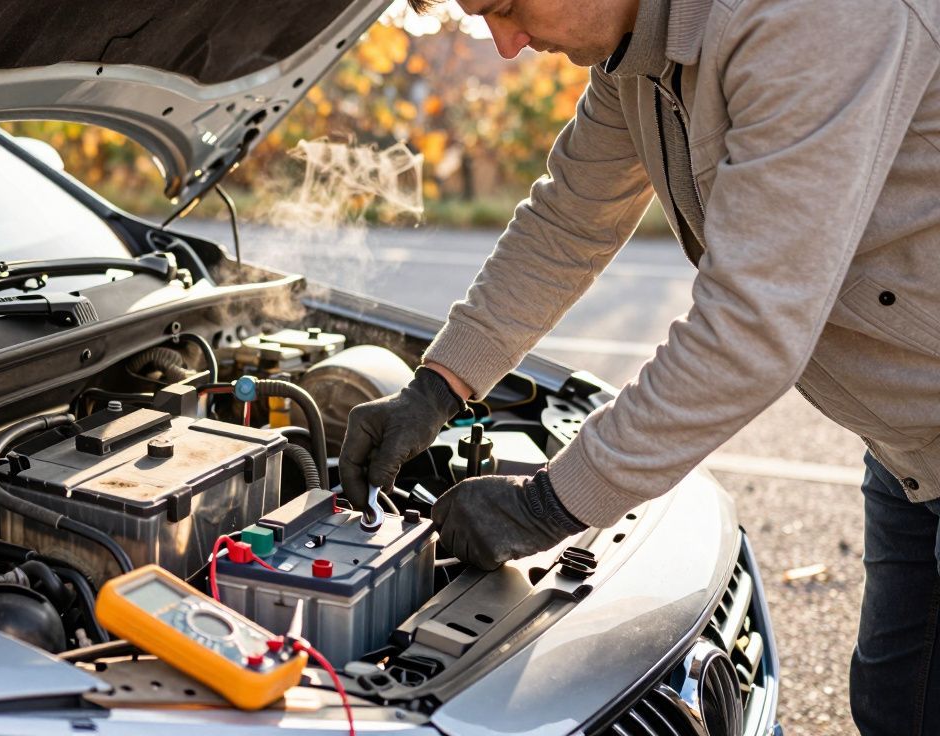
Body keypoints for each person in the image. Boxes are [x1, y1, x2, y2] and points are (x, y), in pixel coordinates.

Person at [337, 0, 940, 732]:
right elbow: (568, 223)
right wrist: (437, 389)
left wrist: (548, 505)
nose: (505, 45)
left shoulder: (811, 19)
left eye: (506, 6)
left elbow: (748, 331)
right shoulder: (641, 53)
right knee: (898, 708)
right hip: (911, 447)